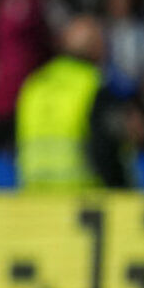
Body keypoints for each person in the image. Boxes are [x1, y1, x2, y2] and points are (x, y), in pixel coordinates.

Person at [15, 15, 136, 190]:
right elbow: (105, 151)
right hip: (81, 204)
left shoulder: (34, 86)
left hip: (35, 201)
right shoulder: (94, 86)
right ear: (97, 48)